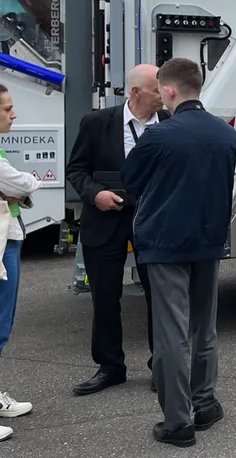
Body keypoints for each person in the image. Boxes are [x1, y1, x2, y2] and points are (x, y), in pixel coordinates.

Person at [122, 58, 236, 447]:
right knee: (204, 327)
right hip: (208, 241)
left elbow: (130, 179)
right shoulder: (225, 134)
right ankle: (205, 405)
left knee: (172, 333)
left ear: (169, 91)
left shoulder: (159, 136)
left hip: (164, 242)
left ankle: (177, 423)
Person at [66, 64, 168, 395]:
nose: (164, 95)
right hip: (106, 220)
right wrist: (95, 193)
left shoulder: (169, 125)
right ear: (136, 92)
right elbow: (77, 169)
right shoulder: (97, 123)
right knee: (106, 297)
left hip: (153, 222)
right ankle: (110, 366)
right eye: (157, 89)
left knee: (161, 296)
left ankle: (162, 365)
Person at [0, 83, 43, 441]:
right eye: (6, 109)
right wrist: (23, 186)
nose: (13, 115)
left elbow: (17, 190)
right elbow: (25, 184)